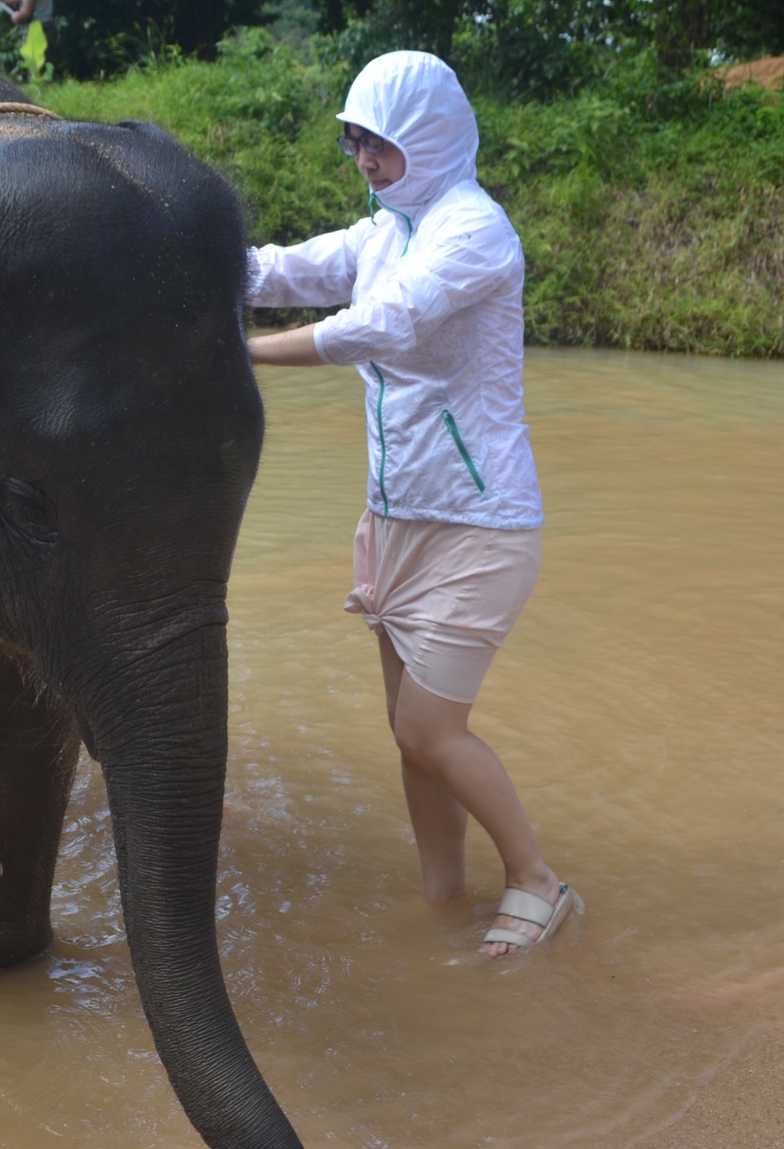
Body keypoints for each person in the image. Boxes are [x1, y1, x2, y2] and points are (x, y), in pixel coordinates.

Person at [245, 51, 579, 958]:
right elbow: (281, 270)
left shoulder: (474, 232)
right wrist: (191, 261)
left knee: (430, 727)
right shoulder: (384, 231)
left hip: (481, 525)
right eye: (355, 142)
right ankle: (443, 897)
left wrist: (243, 357)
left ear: (427, 138)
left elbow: (381, 326)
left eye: (379, 143)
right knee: (411, 738)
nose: (363, 159)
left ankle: (538, 882)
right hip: (396, 520)